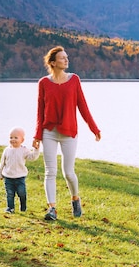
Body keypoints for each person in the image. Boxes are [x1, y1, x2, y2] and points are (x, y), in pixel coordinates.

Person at [32, 46, 101, 221]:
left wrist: (94, 128)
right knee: (50, 171)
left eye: (66, 57)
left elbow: (83, 106)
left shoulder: (74, 80)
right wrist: (37, 135)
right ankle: (52, 209)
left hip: (69, 132)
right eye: (62, 58)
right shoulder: (44, 83)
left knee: (68, 172)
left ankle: (75, 198)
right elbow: (40, 111)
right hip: (49, 131)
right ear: (53, 63)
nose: (66, 60)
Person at [0, 126, 40, 213]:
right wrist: (0, 173)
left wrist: (36, 149)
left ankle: (23, 206)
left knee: (21, 193)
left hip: (20, 177)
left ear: (22, 140)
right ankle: (10, 208)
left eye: (16, 138)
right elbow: (2, 162)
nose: (13, 139)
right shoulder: (7, 150)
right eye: (11, 137)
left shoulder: (24, 150)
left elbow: (32, 157)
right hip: (8, 177)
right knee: (10, 194)